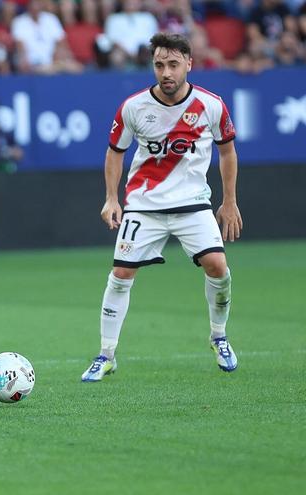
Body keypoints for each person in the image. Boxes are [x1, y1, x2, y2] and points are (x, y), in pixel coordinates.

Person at [81, 32, 242, 382]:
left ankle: (219, 337)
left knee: (218, 266)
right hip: (143, 206)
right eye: (159, 65)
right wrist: (112, 198)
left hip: (193, 204)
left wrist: (229, 201)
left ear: (189, 64)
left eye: (173, 64)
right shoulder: (134, 107)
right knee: (121, 275)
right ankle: (106, 355)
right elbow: (115, 153)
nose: (166, 72)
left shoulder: (211, 105)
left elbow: (227, 151)